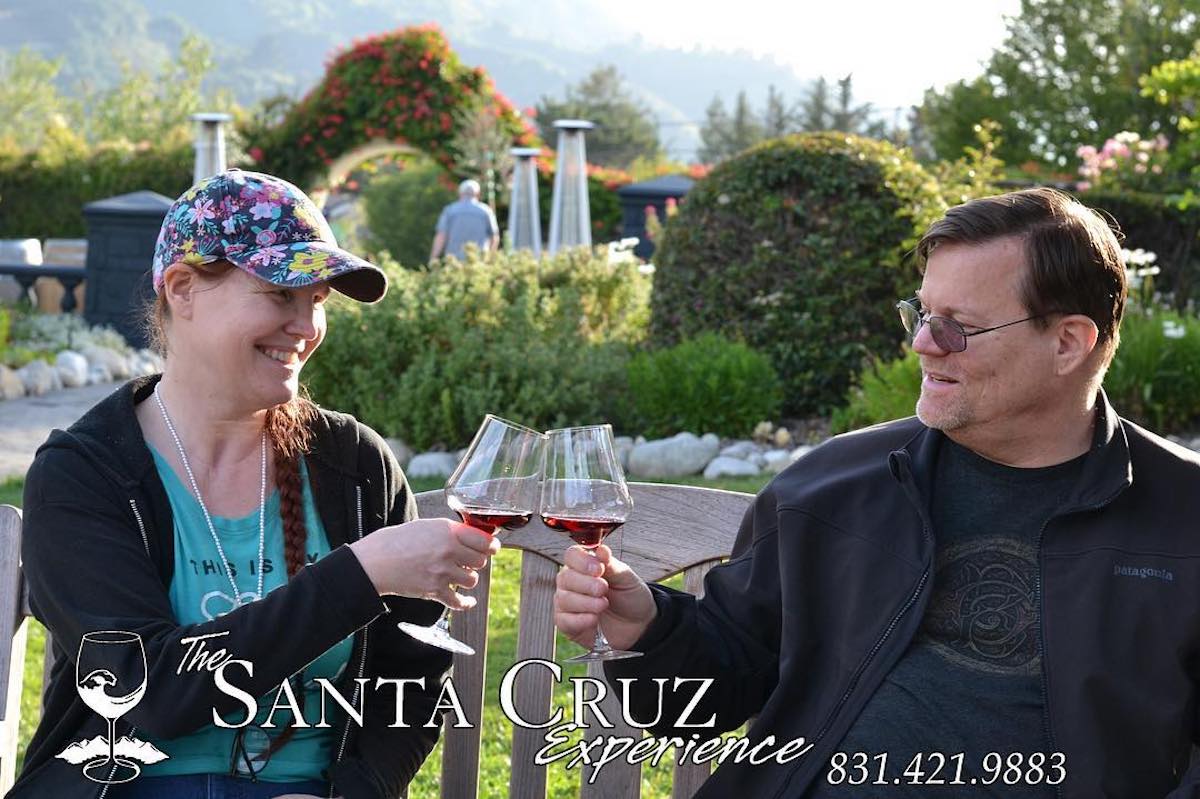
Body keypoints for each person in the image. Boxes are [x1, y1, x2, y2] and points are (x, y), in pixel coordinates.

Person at [555, 187, 1200, 798]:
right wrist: (647, 629)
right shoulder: (832, 488)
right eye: (921, 315)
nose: (922, 344)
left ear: (1068, 343)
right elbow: (721, 682)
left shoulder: (1183, 518)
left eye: (956, 328)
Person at [12, 169, 499, 799]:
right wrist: (359, 575)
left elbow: (412, 678)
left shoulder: (352, 465)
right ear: (183, 289)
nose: (306, 326)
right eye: (280, 293)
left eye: (317, 301)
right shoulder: (86, 472)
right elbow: (143, 692)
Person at [429, 179, 499, 262]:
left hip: (454, 261)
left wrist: (433, 257)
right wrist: (490, 257)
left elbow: (441, 236)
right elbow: (494, 237)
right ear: (478, 194)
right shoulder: (486, 211)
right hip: (479, 261)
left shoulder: (450, 211)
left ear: (460, 193)